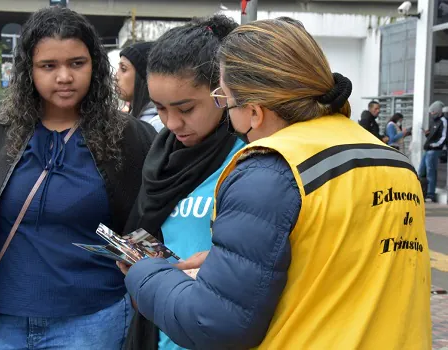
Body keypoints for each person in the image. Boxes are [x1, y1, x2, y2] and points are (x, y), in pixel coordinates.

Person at [122, 17, 430, 349]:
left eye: (223, 98)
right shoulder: (392, 160)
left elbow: (214, 323)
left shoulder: (271, 168)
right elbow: (336, 263)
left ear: (253, 110)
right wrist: (228, 266)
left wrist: (145, 272)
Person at [0, 7, 156, 350]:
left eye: (76, 63)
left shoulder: (130, 137)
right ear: (28, 71)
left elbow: (146, 227)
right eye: (48, 66)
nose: (64, 76)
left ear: (94, 66)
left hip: (95, 324)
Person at [121, 15, 245, 350]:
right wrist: (135, 259)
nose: (173, 123)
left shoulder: (250, 158)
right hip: (161, 331)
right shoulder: (160, 156)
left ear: (222, 93)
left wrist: (224, 267)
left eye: (186, 108)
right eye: (160, 108)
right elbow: (148, 228)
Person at [116, 41, 164, 132]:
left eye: (123, 69)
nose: (116, 76)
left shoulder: (156, 125)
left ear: (144, 76)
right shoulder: (136, 116)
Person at [418, 100, 447, 203]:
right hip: (428, 149)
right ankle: (421, 191)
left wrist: (433, 145)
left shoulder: (443, 121)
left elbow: (443, 137)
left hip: (434, 150)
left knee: (431, 171)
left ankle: (430, 194)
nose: (431, 113)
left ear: (438, 111)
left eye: (433, 111)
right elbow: (433, 135)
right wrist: (427, 134)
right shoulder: (434, 121)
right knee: (421, 170)